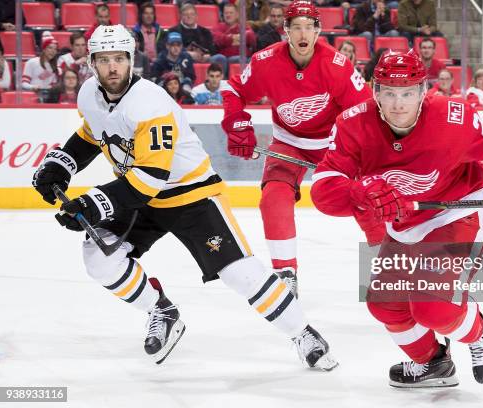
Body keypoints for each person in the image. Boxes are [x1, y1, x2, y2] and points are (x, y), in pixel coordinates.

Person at [31, 24, 337, 371]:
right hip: (140, 196)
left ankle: (304, 332)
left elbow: (151, 177)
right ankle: (160, 309)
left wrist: (91, 203)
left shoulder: (149, 103)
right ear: (92, 63)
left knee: (240, 273)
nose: (113, 67)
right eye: (104, 60)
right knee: (99, 258)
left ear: (131, 60)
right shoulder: (89, 94)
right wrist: (61, 164)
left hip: (190, 194)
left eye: (119, 58)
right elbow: (93, 132)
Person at [310, 49, 483, 388]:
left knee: (433, 309)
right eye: (389, 92)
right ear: (374, 91)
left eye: (407, 92)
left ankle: (481, 332)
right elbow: (323, 188)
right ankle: (434, 364)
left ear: (423, 91)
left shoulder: (453, 116)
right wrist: (359, 192)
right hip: (408, 223)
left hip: (459, 210)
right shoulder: (353, 123)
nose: (398, 104)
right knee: (385, 304)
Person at [220, 1, 379, 298]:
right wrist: (238, 125)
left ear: (318, 31)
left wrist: (360, 152)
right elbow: (233, 90)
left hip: (332, 146)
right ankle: (286, 272)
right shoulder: (266, 61)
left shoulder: (337, 66)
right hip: (288, 143)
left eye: (309, 27)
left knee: (368, 196)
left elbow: (365, 110)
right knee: (273, 197)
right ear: (286, 31)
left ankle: (389, 263)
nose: (303, 33)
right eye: (297, 27)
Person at [168, 2, 227, 72]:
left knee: (220, 58)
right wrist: (188, 54)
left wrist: (208, 55)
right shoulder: (174, 31)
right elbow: (170, 50)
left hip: (204, 59)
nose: (189, 16)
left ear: (196, 16)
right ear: (180, 16)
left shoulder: (205, 31)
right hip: (184, 59)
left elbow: (212, 49)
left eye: (192, 14)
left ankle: (220, 82)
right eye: (186, 14)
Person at [22, 32, 60, 102]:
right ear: (44, 49)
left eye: (55, 49)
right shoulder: (32, 62)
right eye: (50, 48)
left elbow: (54, 85)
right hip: (32, 96)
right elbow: (23, 84)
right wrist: (33, 87)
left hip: (49, 98)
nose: (53, 51)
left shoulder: (55, 66)